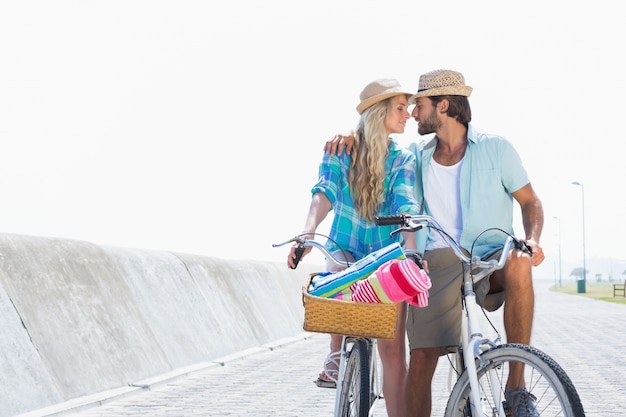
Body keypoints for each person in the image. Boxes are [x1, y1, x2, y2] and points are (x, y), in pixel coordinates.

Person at [324, 69, 545, 417]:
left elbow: (530, 201)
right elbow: (379, 143)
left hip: (487, 256)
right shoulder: (416, 156)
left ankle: (516, 389)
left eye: (419, 105)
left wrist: (532, 240)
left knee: (518, 259)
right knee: (422, 357)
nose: (412, 113)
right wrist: (352, 136)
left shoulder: (497, 149)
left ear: (442, 106)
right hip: (439, 262)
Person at [288, 78, 421, 417]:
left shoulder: (402, 159)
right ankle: (335, 354)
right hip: (345, 247)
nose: (408, 115)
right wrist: (307, 232)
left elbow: (405, 204)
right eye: (401, 108)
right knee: (339, 263)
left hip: (384, 254)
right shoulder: (340, 149)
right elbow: (325, 192)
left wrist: (411, 255)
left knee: (393, 353)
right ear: (380, 113)